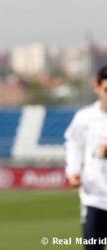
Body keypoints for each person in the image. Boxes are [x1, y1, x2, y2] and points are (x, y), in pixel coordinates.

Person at [65, 65, 107, 250]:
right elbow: (74, 144)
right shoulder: (85, 117)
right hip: (94, 197)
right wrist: (73, 170)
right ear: (96, 86)